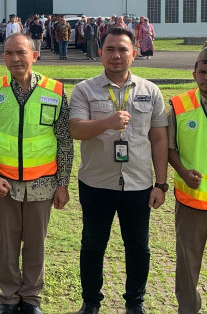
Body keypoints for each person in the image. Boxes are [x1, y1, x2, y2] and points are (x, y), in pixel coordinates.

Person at [69, 26, 168, 314]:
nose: (116, 55)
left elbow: (159, 138)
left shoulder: (151, 91)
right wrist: (106, 122)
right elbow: (75, 129)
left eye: (123, 49)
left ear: (134, 53)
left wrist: (160, 185)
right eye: (109, 49)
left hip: (138, 184)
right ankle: (90, 301)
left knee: (138, 247)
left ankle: (135, 303)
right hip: (96, 182)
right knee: (92, 245)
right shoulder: (84, 90)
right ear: (99, 52)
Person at [0, 33, 73, 314]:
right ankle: (8, 298)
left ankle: (31, 299)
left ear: (35, 54)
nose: (15, 58)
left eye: (20, 52)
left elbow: (65, 139)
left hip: (43, 184)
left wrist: (63, 184)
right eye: (8, 53)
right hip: (3, 183)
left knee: (35, 245)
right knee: (6, 245)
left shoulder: (55, 91)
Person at [167, 41, 207, 313]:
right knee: (187, 264)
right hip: (191, 201)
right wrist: (182, 172)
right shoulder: (178, 105)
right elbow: (169, 148)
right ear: (194, 74)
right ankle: (188, 309)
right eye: (203, 72)